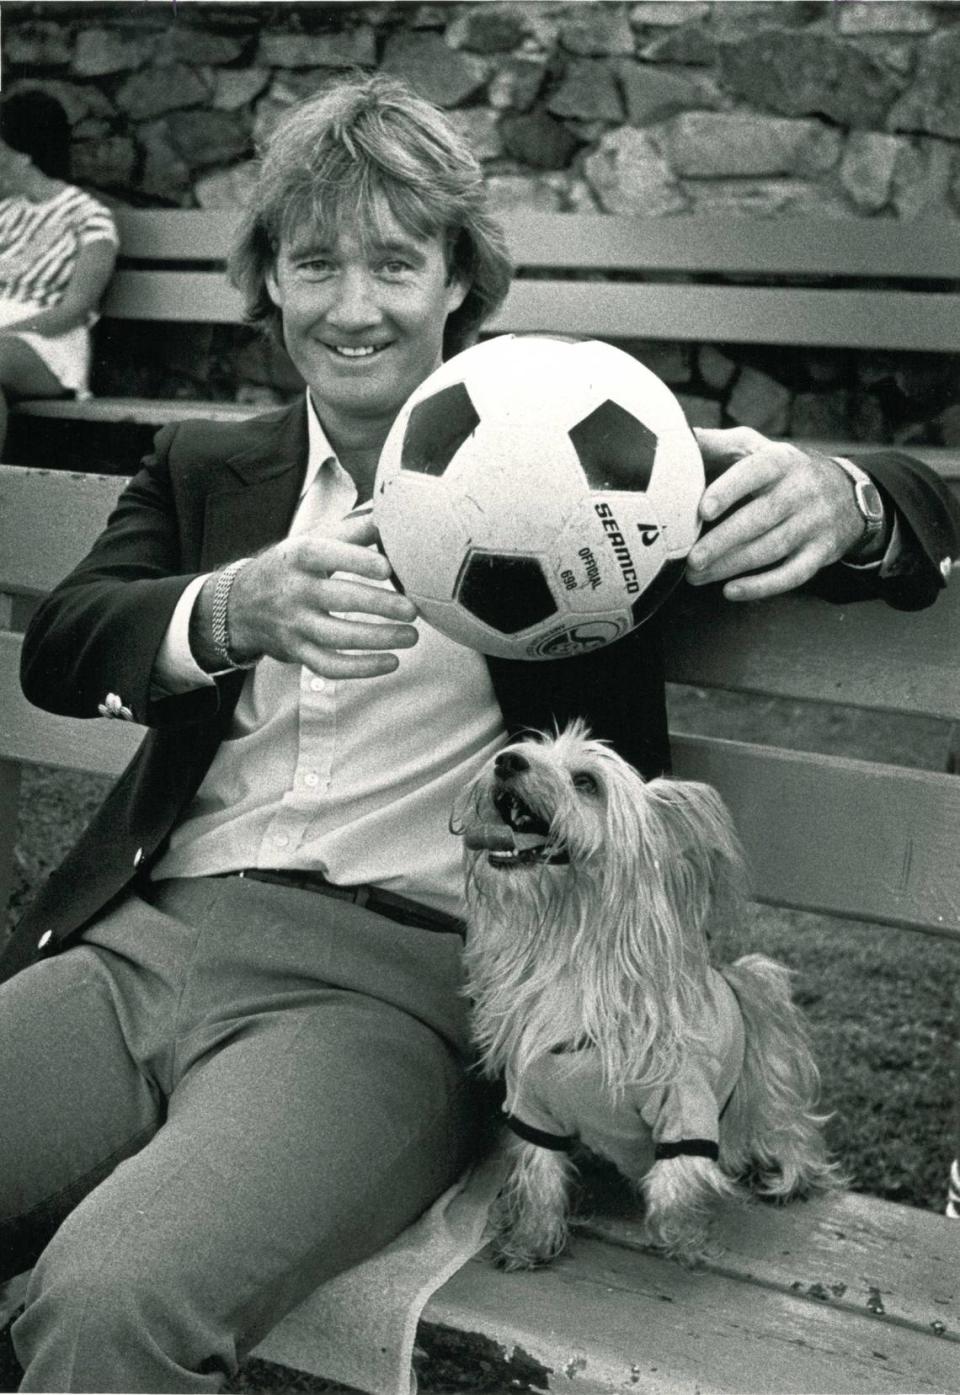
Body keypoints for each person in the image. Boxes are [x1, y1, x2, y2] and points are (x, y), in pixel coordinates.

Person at [0, 73, 957, 1394]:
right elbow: (65, 644)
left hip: (382, 997)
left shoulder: (577, 463)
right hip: (139, 946)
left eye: (397, 261)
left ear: (461, 278)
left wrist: (848, 494)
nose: (354, 304)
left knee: (109, 1298)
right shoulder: (206, 468)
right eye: (316, 262)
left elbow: (912, 501)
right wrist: (225, 607)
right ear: (265, 282)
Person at [0, 89, 118, 458]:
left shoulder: (90, 219)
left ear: (23, 153)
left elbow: (74, 309)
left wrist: (6, 333)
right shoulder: (5, 214)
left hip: (48, 343)